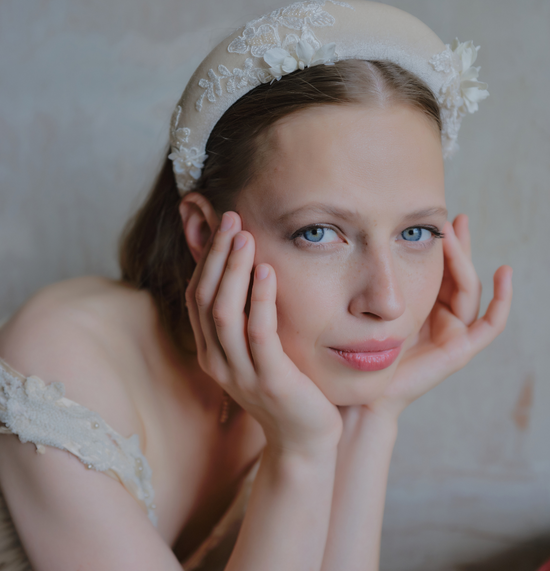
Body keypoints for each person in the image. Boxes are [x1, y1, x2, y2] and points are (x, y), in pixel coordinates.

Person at [0, 1, 513, 569]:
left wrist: (372, 416)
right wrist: (299, 454)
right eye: (319, 233)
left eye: (416, 232)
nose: (386, 301)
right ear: (203, 230)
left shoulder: (307, 376)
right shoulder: (62, 362)